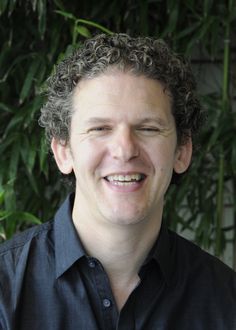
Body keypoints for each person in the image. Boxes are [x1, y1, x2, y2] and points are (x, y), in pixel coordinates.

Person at [0, 34, 235, 330]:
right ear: (63, 151)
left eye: (148, 128)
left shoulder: (227, 301)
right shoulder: (4, 292)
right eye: (100, 128)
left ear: (182, 151)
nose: (124, 150)